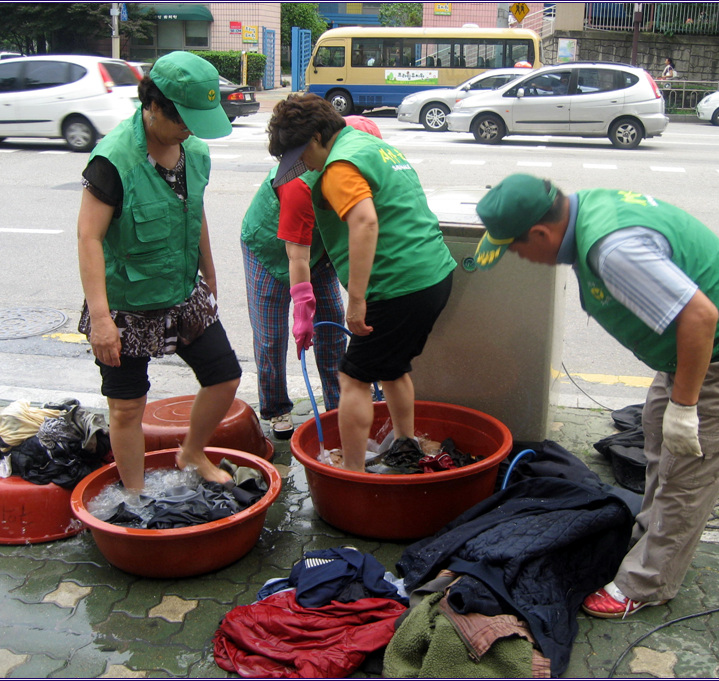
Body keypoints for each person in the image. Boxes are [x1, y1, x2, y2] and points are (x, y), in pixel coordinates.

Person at [473, 174, 719, 618]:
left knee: (688, 473)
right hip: (692, 350)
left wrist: (685, 407)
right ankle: (651, 540)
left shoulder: (613, 250)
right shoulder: (585, 210)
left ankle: (647, 583)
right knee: (659, 442)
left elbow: (700, 317)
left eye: (515, 247)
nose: (518, 257)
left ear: (542, 233)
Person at [77, 51, 242, 491]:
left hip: (184, 291)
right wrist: (101, 319)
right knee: (127, 407)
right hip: (126, 303)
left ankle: (193, 452)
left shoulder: (195, 153)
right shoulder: (113, 160)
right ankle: (134, 495)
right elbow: (88, 237)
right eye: (182, 120)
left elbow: (195, 211)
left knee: (225, 376)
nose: (189, 130)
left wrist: (209, 273)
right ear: (152, 105)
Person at [267, 94, 456, 472]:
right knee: (392, 366)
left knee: (353, 377)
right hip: (434, 276)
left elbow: (365, 221)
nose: (304, 165)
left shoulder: (339, 165)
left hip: (398, 287)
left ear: (317, 136)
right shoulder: (371, 146)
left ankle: (353, 473)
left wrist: (356, 301)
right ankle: (405, 447)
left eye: (302, 155)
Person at [239, 116, 381, 439]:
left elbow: (365, 231)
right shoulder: (299, 181)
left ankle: (337, 405)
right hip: (269, 249)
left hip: (319, 251)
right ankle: (276, 407)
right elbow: (296, 256)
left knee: (332, 329)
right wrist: (302, 309)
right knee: (271, 336)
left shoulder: (360, 170)